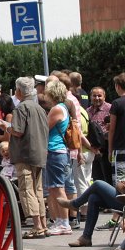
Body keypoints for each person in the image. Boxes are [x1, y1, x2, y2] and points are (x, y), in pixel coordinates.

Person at [10, 77, 48, 238]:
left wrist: (6, 127)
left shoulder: (21, 107)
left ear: (19, 91)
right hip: (39, 152)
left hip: (25, 153)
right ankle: (43, 225)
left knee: (27, 189)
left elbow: (18, 131)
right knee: (38, 189)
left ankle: (37, 226)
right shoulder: (39, 108)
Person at [45, 79, 75, 236]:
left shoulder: (56, 109)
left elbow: (44, 128)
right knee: (54, 188)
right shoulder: (63, 107)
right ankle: (60, 221)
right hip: (58, 151)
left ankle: (64, 223)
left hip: (55, 151)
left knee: (58, 188)